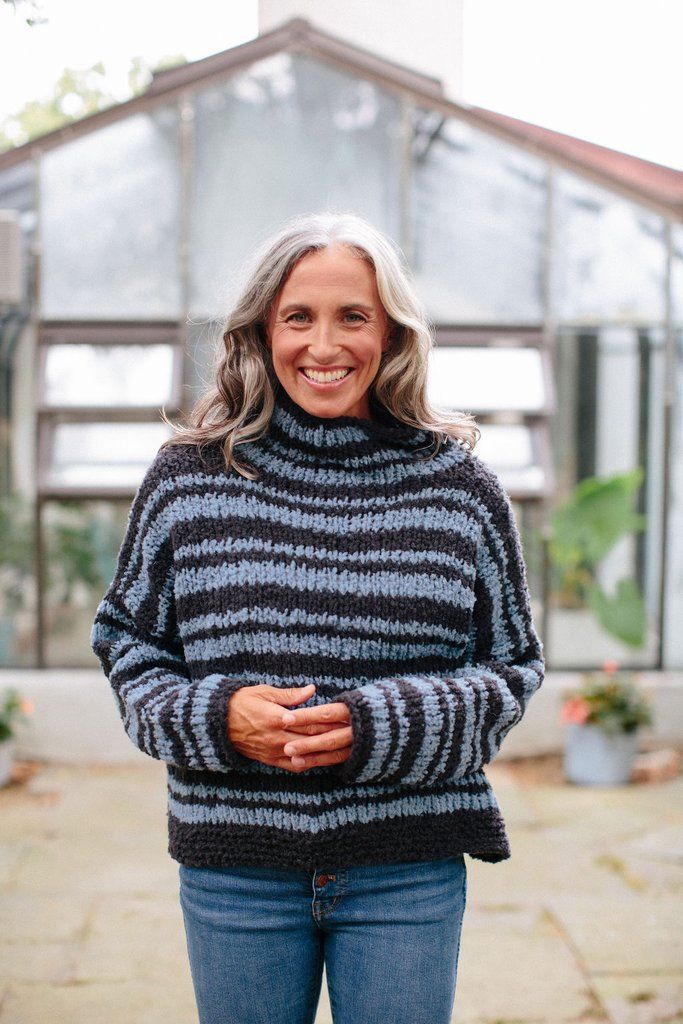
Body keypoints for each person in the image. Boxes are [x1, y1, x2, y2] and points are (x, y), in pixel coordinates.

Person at [91, 211, 545, 1024]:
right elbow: (128, 641)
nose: (324, 346)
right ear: (261, 331)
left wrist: (389, 723)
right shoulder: (188, 478)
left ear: (393, 333)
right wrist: (216, 715)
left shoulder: (460, 490)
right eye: (298, 317)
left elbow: (513, 665)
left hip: (406, 866)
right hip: (236, 865)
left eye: (353, 317)